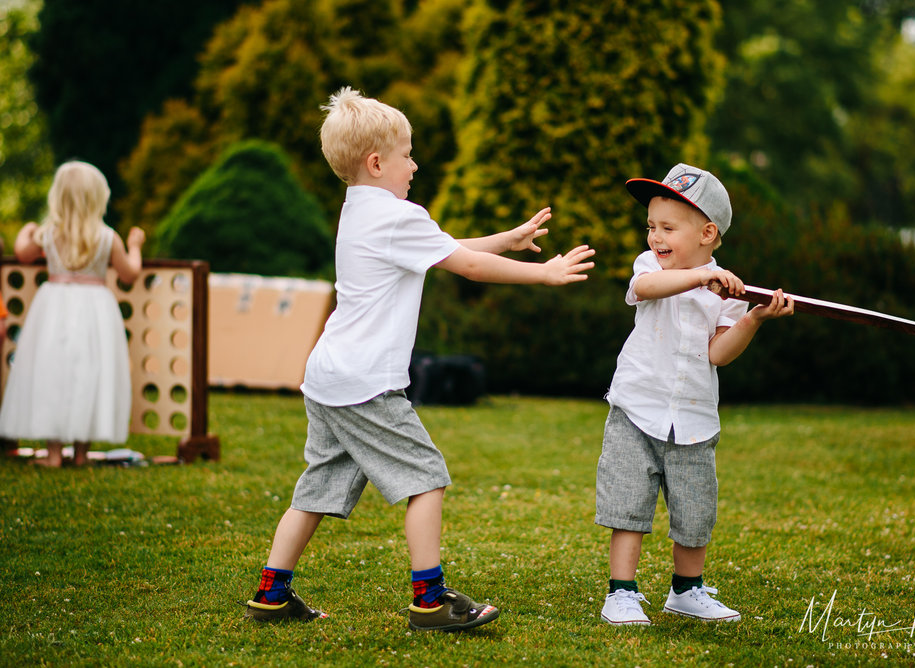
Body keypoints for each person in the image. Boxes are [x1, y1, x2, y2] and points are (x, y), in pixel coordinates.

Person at [244, 87, 595, 630]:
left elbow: (444, 245)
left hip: (329, 377)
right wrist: (544, 273)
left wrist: (509, 237)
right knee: (426, 480)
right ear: (377, 162)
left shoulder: (362, 211)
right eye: (407, 154)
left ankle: (271, 593)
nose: (415, 163)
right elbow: (465, 265)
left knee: (315, 491)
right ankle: (429, 600)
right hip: (366, 383)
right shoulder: (398, 216)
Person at [595, 163, 793, 626]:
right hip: (636, 409)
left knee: (695, 509)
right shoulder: (651, 269)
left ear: (707, 233)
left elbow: (719, 354)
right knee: (628, 505)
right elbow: (645, 288)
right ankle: (621, 593)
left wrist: (753, 319)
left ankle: (686, 590)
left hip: (693, 419)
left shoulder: (729, 290)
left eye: (668, 228)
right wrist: (700, 279)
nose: (655, 238)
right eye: (651, 227)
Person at [0, 161, 145, 467]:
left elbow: (23, 251)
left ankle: (53, 454)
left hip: (54, 308)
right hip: (95, 309)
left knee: (51, 372)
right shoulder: (108, 237)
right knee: (90, 373)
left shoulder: (49, 233)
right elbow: (130, 273)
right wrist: (135, 245)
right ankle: (81, 452)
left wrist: (27, 229)